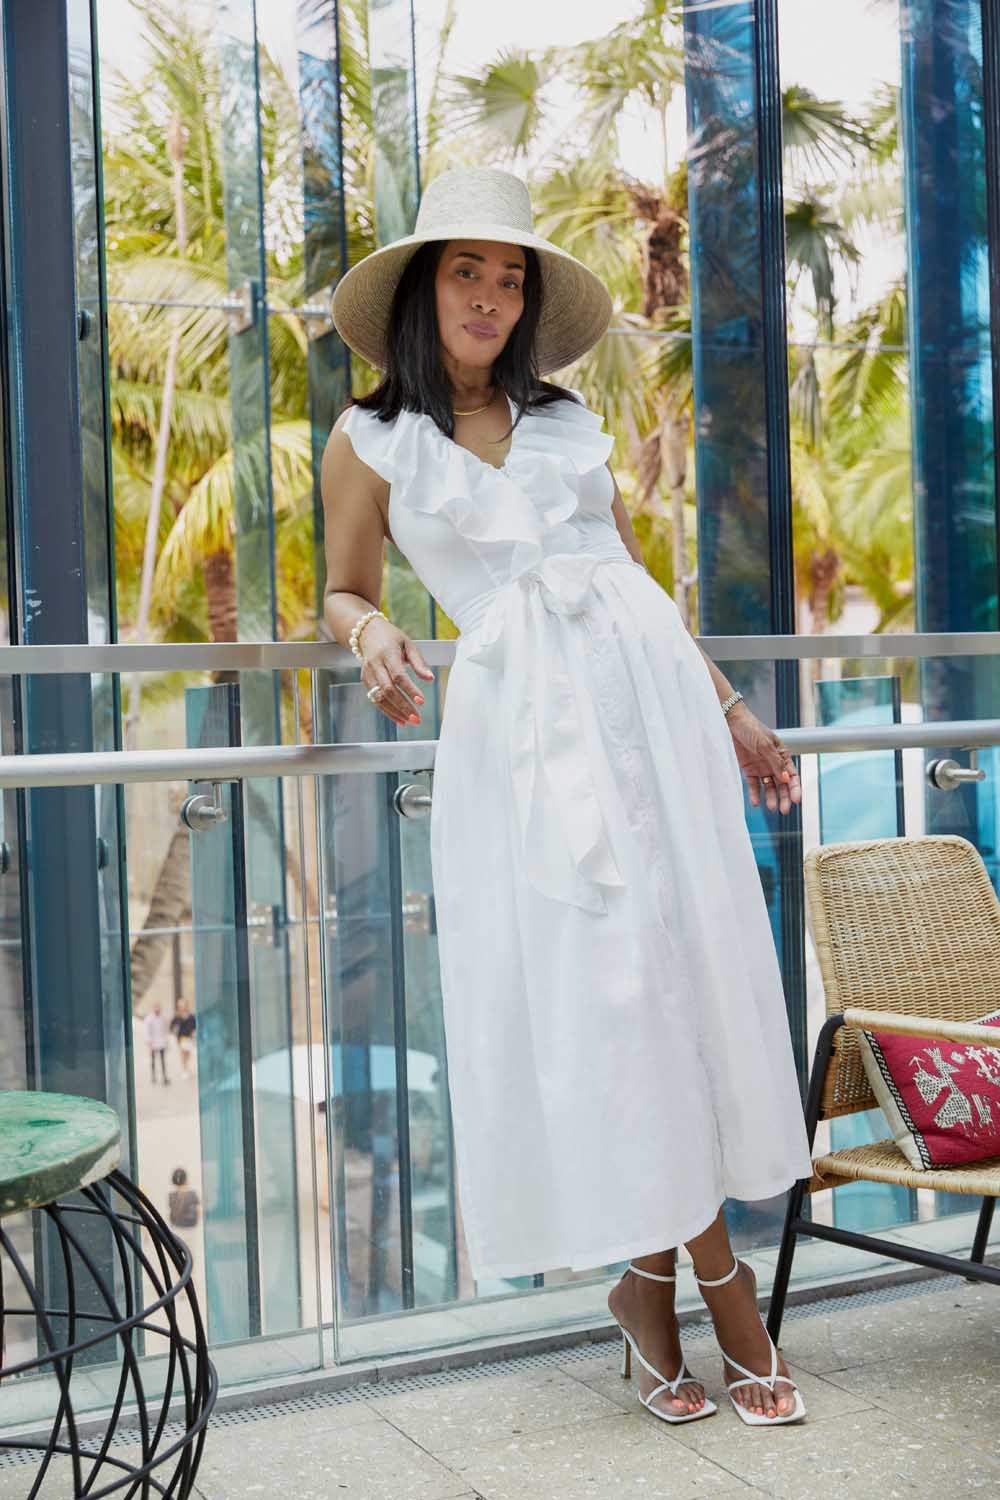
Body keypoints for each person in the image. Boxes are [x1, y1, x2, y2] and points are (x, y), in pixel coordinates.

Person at [323, 165, 814, 1428]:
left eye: (510, 275)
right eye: (465, 270)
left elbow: (636, 584)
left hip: (649, 714)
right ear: (422, 290)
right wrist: (374, 635)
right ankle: (722, 1292)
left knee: (682, 986)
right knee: (608, 1004)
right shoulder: (369, 438)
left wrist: (733, 710)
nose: (490, 294)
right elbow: (343, 585)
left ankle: (649, 1298)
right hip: (524, 744)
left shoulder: (568, 421)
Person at [169, 997, 197, 1079]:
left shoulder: (191, 1016)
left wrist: (194, 1031)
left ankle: (186, 1068)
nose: (183, 1007)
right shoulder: (177, 1016)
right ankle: (184, 1070)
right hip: (182, 1038)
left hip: (190, 1039)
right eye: (181, 1006)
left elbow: (195, 1025)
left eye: (184, 1005)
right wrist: (174, 1031)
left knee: (188, 1054)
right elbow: (171, 1026)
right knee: (184, 1054)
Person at [143, 1002, 169, 1086]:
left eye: (158, 1008)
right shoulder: (149, 1018)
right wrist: (149, 1042)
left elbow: (165, 1030)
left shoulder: (163, 1018)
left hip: (161, 1042)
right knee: (153, 1060)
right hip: (153, 1042)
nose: (157, 1009)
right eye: (156, 1008)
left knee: (162, 1060)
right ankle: (153, 1076)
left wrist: (166, 1041)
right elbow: (147, 1031)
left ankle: (164, 1077)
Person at [168, 1166, 200, 1231]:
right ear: (186, 1180)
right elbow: (198, 1212)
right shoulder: (192, 1194)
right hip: (191, 1228)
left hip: (175, 1227)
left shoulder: (171, 1196)